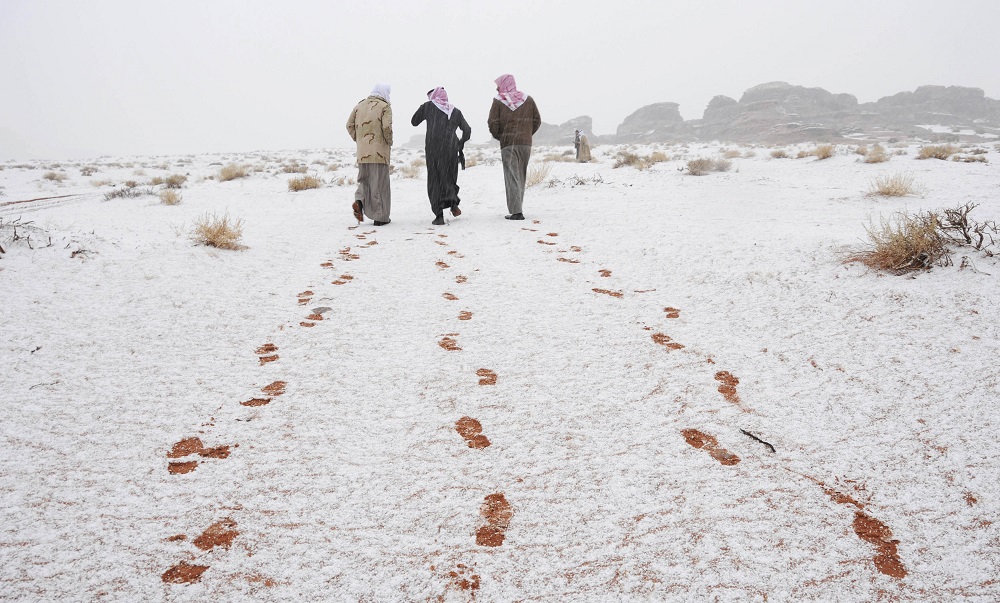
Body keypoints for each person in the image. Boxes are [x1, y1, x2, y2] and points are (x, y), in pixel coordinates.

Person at [411, 87, 472, 225]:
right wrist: (459, 144)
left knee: (435, 180)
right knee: (449, 177)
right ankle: (453, 203)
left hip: (433, 149)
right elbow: (467, 130)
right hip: (451, 149)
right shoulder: (455, 111)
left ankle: (439, 215)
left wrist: (425, 109)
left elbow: (414, 121)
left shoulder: (428, 107)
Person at [487, 74, 540, 221]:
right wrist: (527, 134)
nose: (497, 88)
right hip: (525, 144)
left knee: (512, 176)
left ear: (504, 85)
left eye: (498, 85)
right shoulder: (528, 100)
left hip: (509, 144)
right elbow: (537, 121)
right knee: (520, 176)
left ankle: (517, 212)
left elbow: (493, 123)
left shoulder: (498, 101)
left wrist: (501, 136)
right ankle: (518, 208)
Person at [346, 83, 393, 226]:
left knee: (364, 181)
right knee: (379, 184)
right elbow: (386, 127)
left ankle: (359, 202)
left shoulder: (359, 106)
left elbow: (349, 125)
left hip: (362, 152)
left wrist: (360, 140)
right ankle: (380, 218)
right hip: (379, 152)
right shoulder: (385, 107)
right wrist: (388, 142)